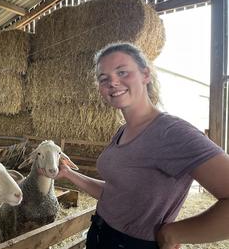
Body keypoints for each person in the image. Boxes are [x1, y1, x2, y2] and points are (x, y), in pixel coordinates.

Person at [56, 43, 229, 249]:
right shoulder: (123, 131)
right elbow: (113, 193)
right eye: (104, 79)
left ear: (145, 75)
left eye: (122, 72)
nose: (113, 82)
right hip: (100, 233)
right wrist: (68, 173)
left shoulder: (172, 133)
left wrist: (173, 233)